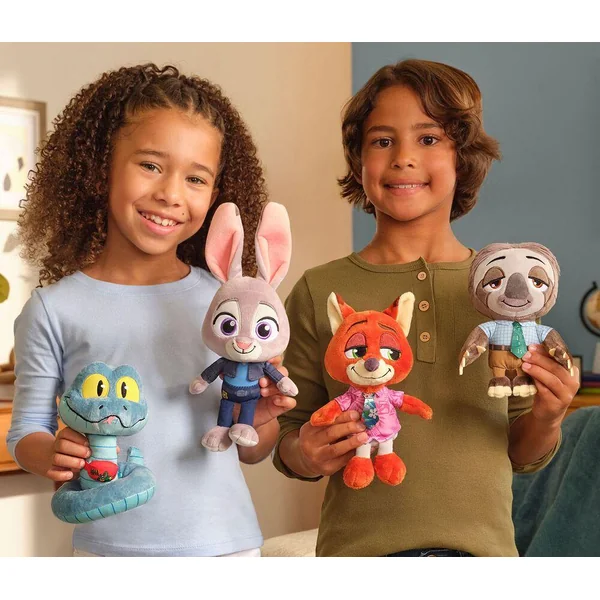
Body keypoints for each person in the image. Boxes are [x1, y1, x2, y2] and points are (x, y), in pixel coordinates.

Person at [272, 59, 580, 557]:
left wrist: (548, 416)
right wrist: (305, 453)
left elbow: (522, 453)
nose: (403, 158)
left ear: (463, 158)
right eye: (382, 140)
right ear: (359, 159)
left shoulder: (509, 294)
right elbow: (289, 435)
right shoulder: (320, 290)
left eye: (429, 138)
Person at [7, 63, 295, 557]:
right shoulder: (54, 309)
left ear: (215, 195)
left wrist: (263, 417)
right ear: (101, 167)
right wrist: (52, 452)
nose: (170, 194)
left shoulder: (227, 306)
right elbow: (25, 431)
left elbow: (252, 451)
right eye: (150, 165)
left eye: (196, 178)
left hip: (228, 550)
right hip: (108, 553)